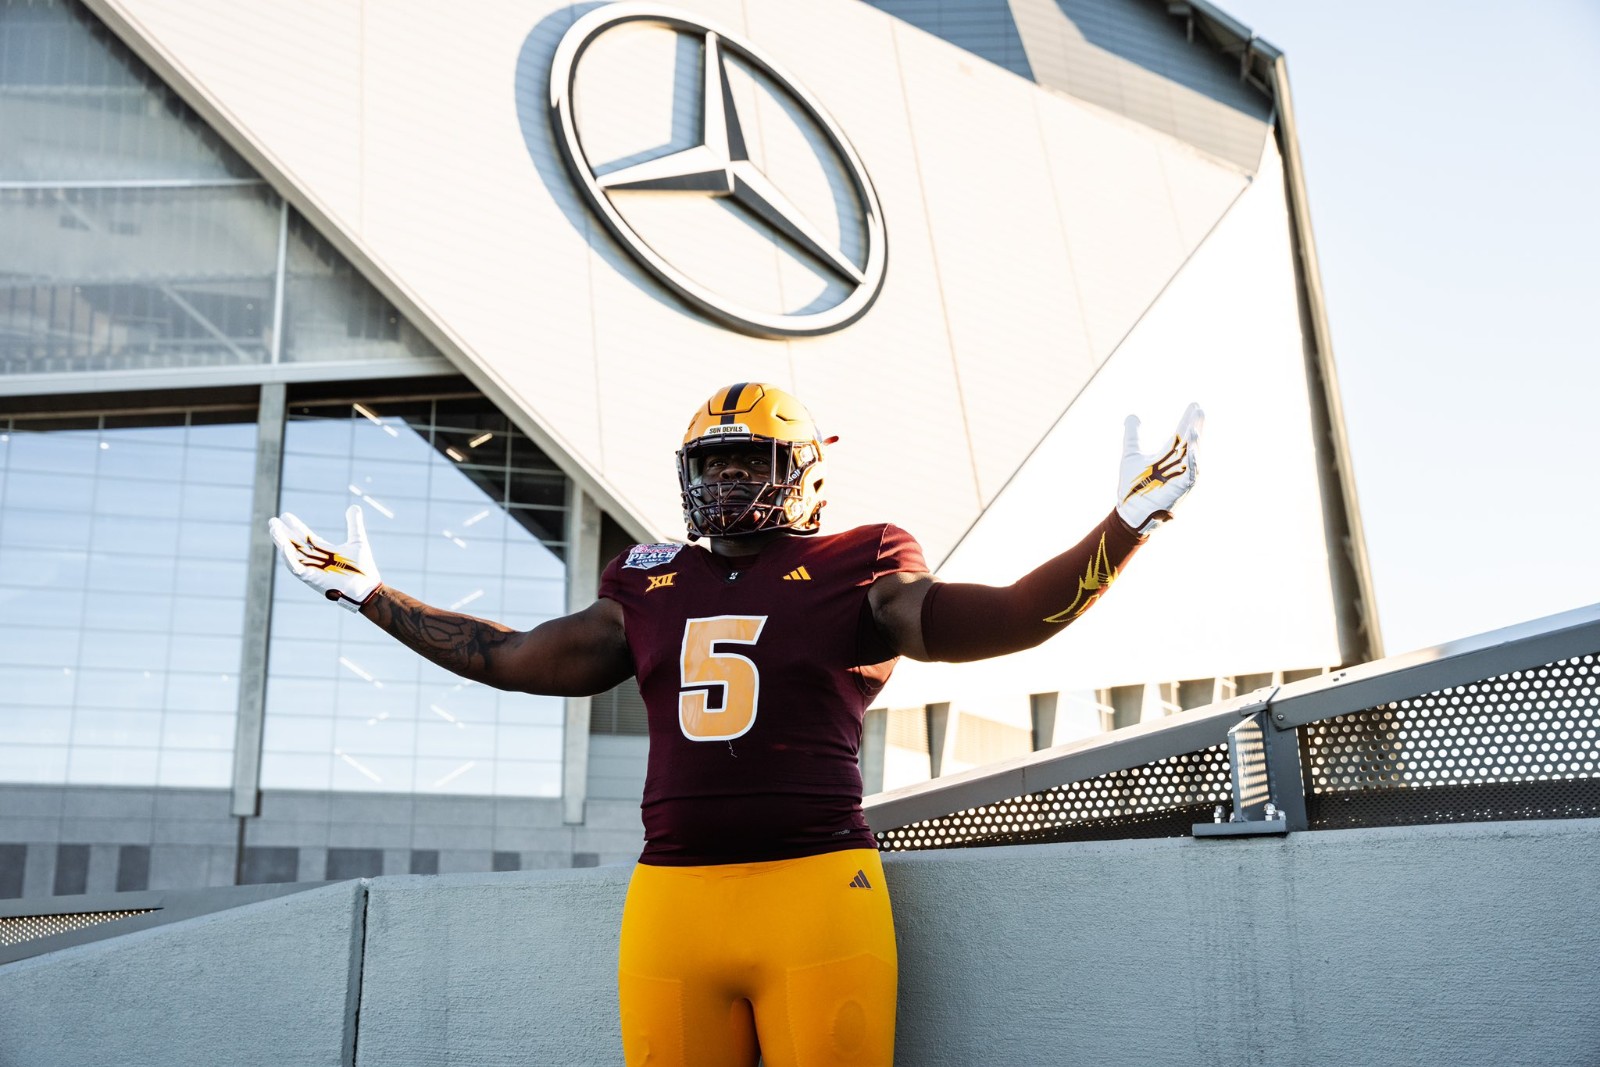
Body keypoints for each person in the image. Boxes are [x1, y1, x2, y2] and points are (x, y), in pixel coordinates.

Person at [269, 382, 1202, 1067]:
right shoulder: (646, 577)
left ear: (803, 471)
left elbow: (1004, 618)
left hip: (814, 889)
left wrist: (1125, 525)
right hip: (673, 900)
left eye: (749, 459)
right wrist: (372, 595)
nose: (725, 477)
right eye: (711, 462)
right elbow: (512, 657)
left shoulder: (861, 559)